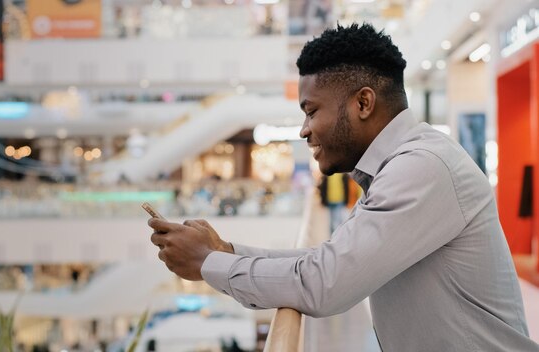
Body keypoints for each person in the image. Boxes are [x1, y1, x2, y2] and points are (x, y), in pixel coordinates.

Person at [148, 23, 539, 351]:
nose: (304, 130)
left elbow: (324, 282)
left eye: (311, 110)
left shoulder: (422, 167)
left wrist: (207, 263)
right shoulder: (400, 165)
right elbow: (330, 258)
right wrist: (224, 251)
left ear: (363, 103)